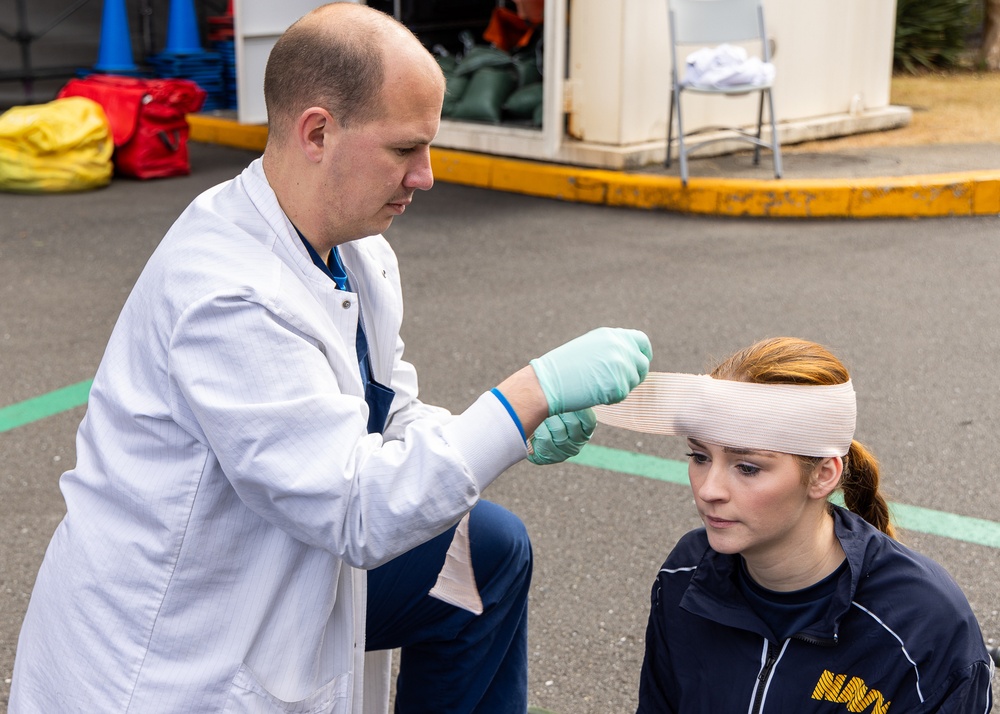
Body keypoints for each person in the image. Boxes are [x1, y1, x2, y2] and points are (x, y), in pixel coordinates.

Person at [9, 4, 652, 713]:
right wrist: (528, 391)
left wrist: (519, 429)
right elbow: (356, 508)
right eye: (405, 149)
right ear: (318, 131)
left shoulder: (354, 249)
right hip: (176, 656)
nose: (426, 176)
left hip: (279, 562)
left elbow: (387, 412)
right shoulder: (226, 293)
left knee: (486, 552)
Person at [594, 337, 995, 713]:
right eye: (699, 457)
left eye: (747, 467)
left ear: (823, 475)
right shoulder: (686, 572)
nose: (709, 489)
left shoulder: (926, 628)